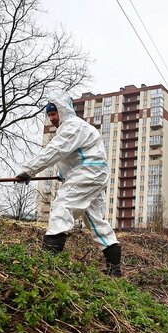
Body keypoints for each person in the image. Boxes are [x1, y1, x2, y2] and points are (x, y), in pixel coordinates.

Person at [15, 93, 122, 277]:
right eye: (49, 116)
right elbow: (71, 158)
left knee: (62, 206)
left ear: (63, 110)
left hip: (88, 172)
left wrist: (28, 170)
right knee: (94, 220)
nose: (52, 118)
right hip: (93, 174)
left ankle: (47, 262)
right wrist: (62, 176)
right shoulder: (75, 128)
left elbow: (55, 151)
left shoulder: (72, 127)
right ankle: (114, 269)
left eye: (54, 113)